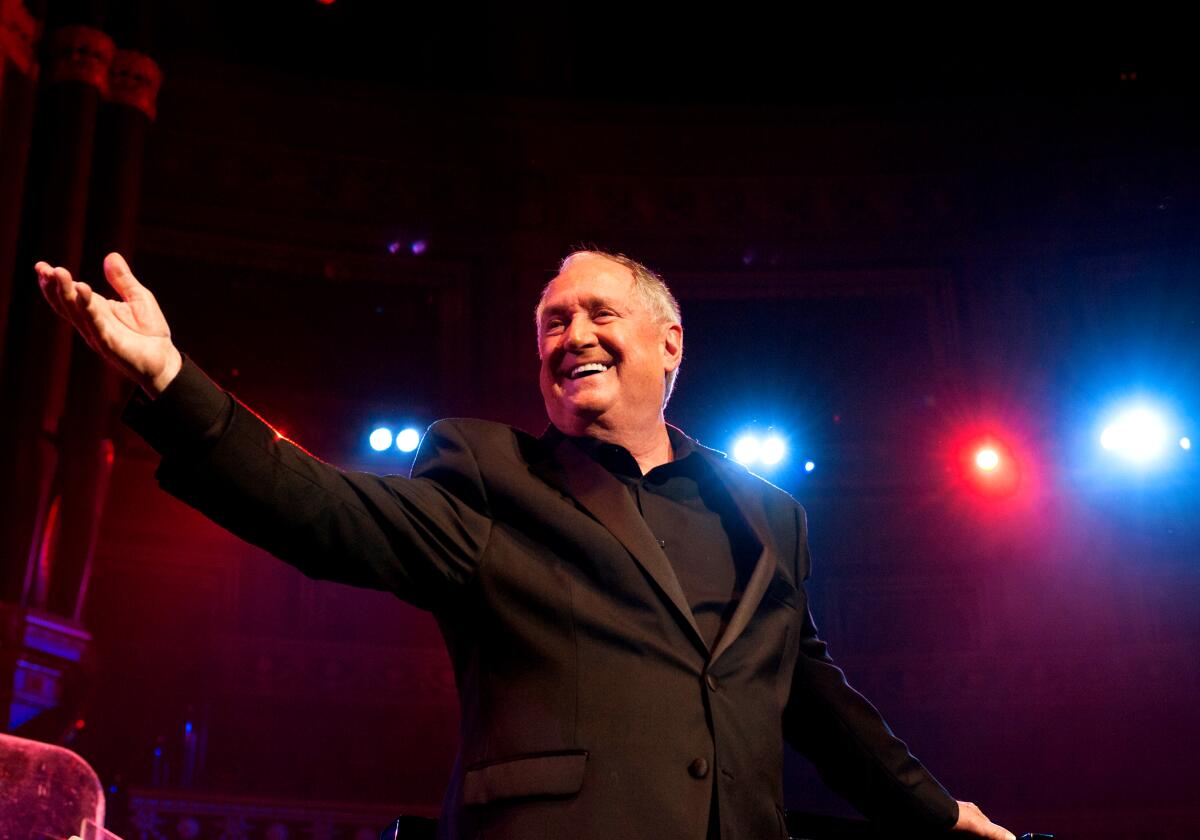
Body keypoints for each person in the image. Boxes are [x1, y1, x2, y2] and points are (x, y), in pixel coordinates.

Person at [36, 251, 1015, 840]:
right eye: (551, 321)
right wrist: (172, 382)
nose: (569, 334)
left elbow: (819, 700)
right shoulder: (491, 473)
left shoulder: (769, 517)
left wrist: (938, 814)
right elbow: (319, 511)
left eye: (597, 313)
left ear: (670, 342)